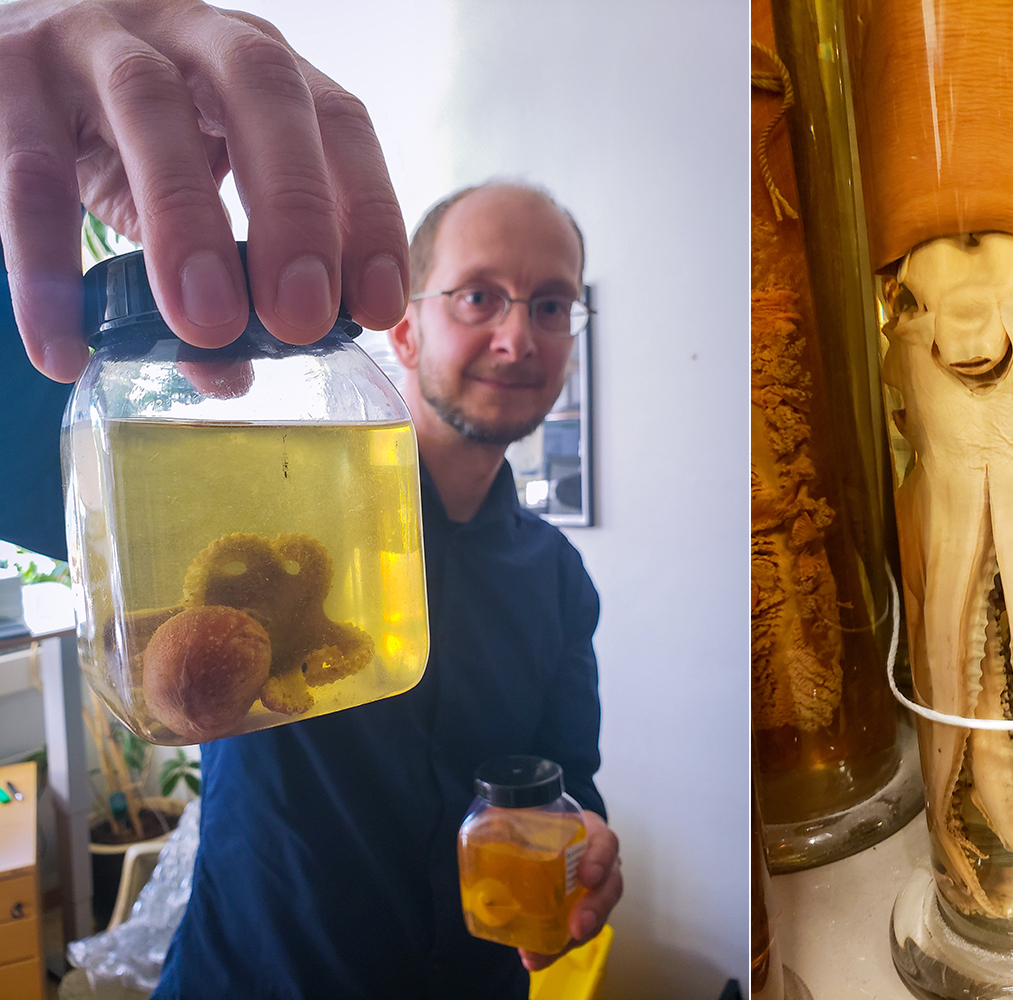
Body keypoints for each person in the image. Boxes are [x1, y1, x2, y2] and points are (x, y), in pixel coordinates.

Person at [0, 2, 621, 997]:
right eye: (479, 296)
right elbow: (28, 433)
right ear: (404, 331)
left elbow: (564, 778)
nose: (519, 334)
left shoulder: (558, 581)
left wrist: (583, 840)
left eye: (552, 304)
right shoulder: (268, 490)